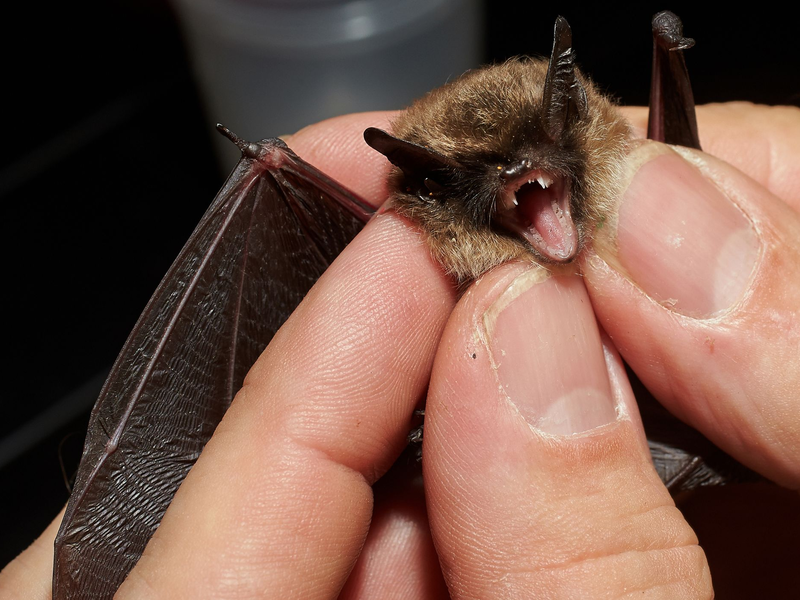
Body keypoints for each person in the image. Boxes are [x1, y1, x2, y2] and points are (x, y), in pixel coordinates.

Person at [1, 103, 798, 599]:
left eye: (541, 163)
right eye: (496, 180)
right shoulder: (429, 261)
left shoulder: (607, 183)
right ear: (440, 192)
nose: (527, 181)